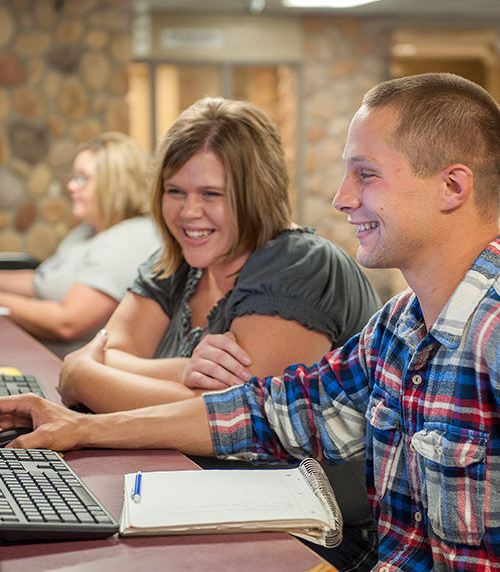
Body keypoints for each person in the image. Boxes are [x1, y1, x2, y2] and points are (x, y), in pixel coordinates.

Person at [3, 72, 498, 569]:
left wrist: (89, 377)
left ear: (452, 186)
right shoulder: (398, 327)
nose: (342, 198)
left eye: (365, 174)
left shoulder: (490, 333)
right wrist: (80, 429)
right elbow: (264, 411)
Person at [55, 98, 381, 416]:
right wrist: (183, 371)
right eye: (175, 191)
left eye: (210, 194)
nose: (188, 212)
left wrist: (83, 379)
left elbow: (229, 420)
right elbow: (108, 353)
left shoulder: (302, 265)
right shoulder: (177, 258)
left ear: (257, 195)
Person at [0, 132, 161, 358]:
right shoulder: (86, 232)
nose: (71, 186)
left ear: (115, 184)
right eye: (73, 177)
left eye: (83, 178)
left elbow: (68, 322)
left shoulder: (129, 240)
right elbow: (41, 280)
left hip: (69, 369)